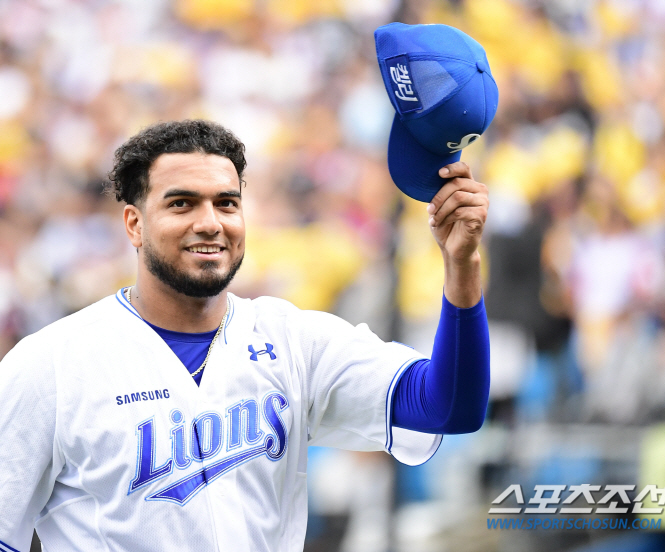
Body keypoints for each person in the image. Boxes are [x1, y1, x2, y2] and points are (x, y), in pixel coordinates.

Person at [0, 119, 490, 552]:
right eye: (182, 203)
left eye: (226, 203)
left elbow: (449, 408)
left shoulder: (296, 340)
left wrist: (461, 265)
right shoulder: (50, 365)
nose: (210, 223)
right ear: (135, 224)